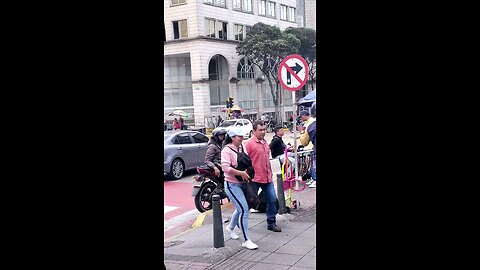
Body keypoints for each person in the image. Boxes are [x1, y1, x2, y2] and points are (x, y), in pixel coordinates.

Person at [221, 127, 258, 250]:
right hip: (232, 184)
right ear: (232, 137)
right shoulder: (226, 150)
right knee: (244, 209)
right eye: (239, 136)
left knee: (241, 207)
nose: (242, 138)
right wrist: (241, 173)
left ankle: (231, 227)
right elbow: (225, 168)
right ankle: (246, 240)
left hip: (243, 183)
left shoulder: (242, 147)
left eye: (242, 136)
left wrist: (247, 173)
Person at [244, 120, 282, 232]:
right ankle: (239, 222)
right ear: (254, 131)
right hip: (254, 179)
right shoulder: (249, 144)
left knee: (272, 199)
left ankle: (271, 222)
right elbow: (244, 160)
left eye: (264, 129)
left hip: (267, 178)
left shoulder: (265, 143)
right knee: (248, 203)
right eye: (260, 130)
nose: (263, 132)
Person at [297, 107, 316, 188]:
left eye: (301, 117)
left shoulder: (310, 125)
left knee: (312, 164)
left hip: (311, 148)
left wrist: (301, 131)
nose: (301, 119)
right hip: (311, 148)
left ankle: (315, 179)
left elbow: (304, 141)